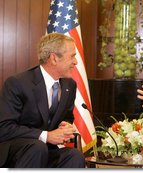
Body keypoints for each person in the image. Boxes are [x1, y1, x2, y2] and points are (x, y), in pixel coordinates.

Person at [0, 33, 85, 168]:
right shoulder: (18, 83)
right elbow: (4, 127)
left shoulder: (69, 85)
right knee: (37, 147)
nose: (76, 62)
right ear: (54, 58)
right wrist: (45, 136)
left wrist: (65, 126)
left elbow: (67, 116)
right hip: (17, 152)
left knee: (74, 155)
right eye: (72, 56)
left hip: (46, 150)